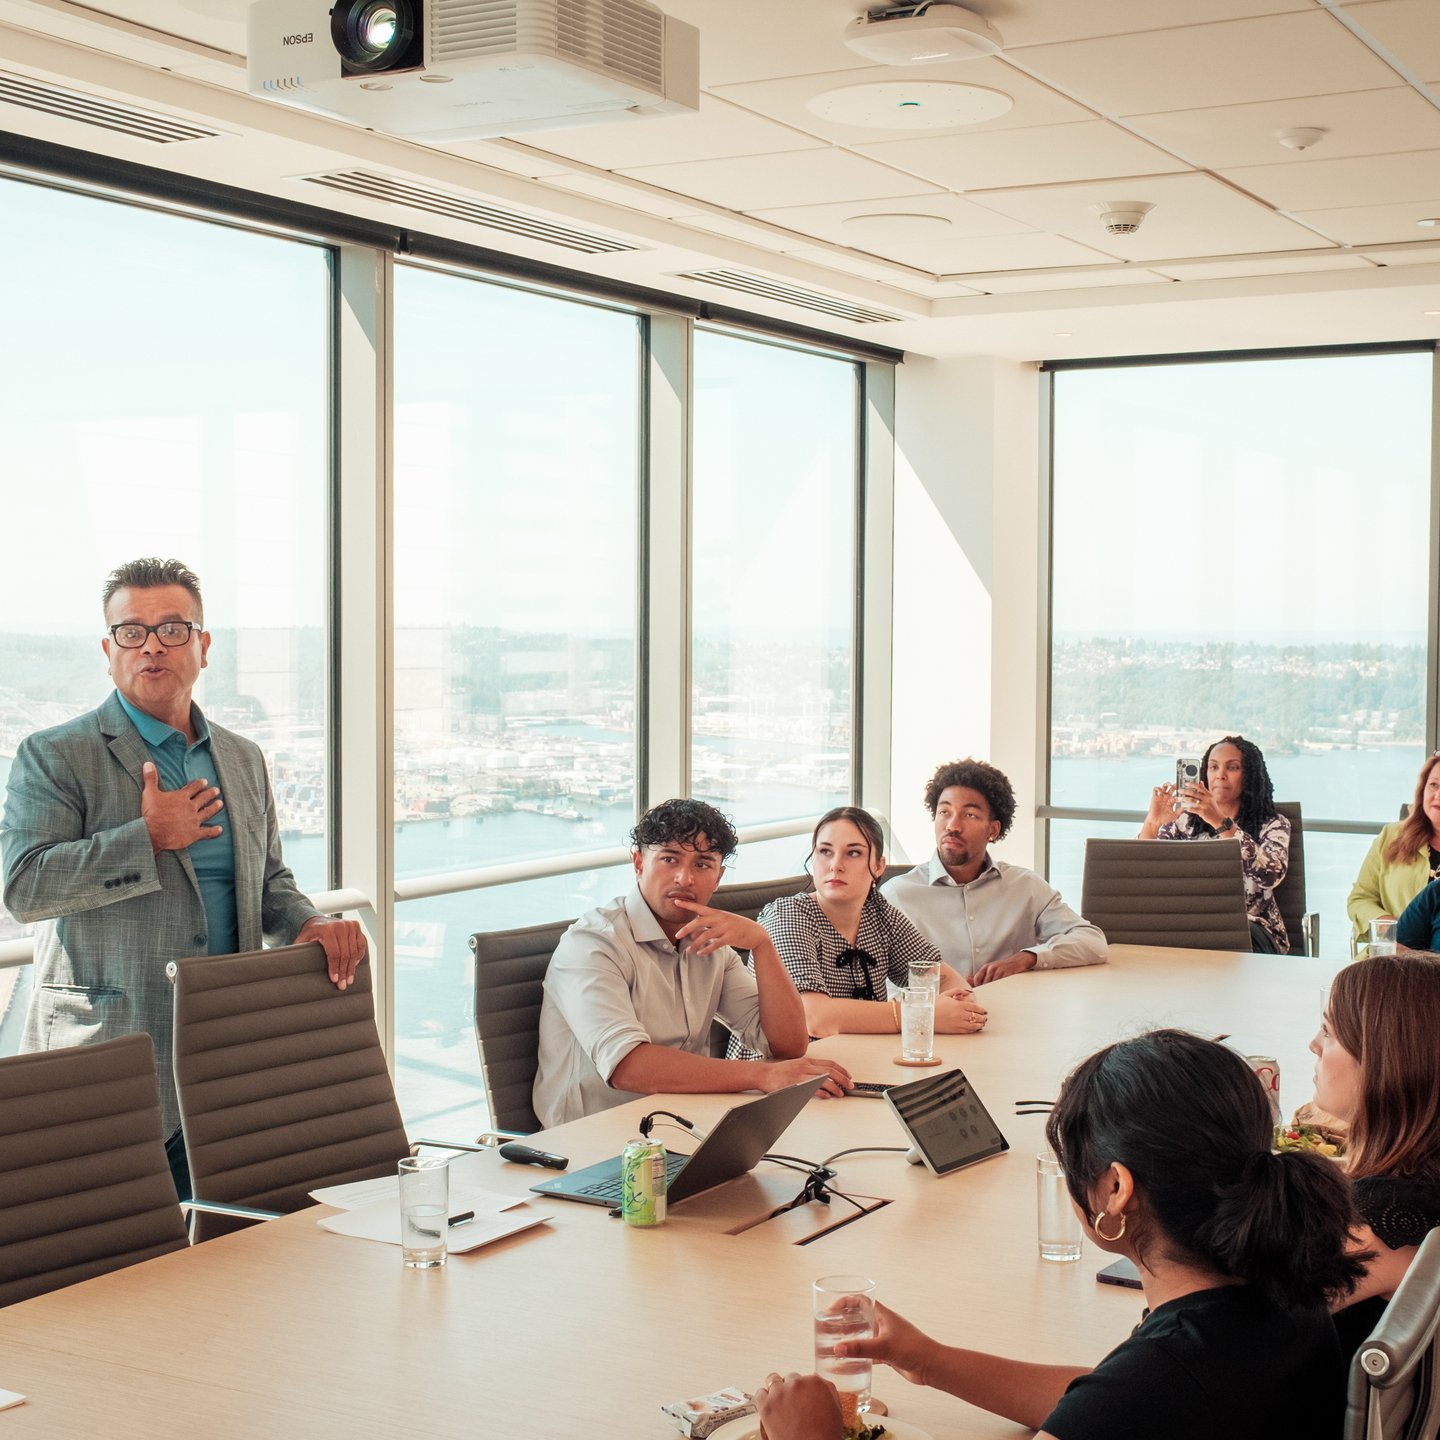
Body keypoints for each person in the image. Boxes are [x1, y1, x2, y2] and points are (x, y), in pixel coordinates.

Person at [754, 1029, 1364, 1440]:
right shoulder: (1279, 1289)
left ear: (1115, 1191)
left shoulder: (1165, 1375)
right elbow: (1095, 1397)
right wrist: (927, 1361)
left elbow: (1117, 1403)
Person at [0, 558, 366, 1199]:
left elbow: (268, 879)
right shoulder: (55, 754)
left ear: (203, 646)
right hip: (109, 1054)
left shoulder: (243, 758)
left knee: (230, 1253)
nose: (151, 646)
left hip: (227, 1054)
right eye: (131, 632)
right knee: (112, 1267)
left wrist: (305, 919)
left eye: (172, 629)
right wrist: (146, 840)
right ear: (108, 650)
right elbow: (25, 887)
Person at [532, 797, 852, 1129]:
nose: (685, 878)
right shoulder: (593, 944)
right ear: (639, 863)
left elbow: (786, 1046)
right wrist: (763, 1074)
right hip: (589, 1143)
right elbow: (628, 1066)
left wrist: (762, 944)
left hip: (682, 1125)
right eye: (669, 859)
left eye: (702, 864)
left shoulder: (711, 942)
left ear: (718, 876)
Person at [729, 807, 986, 1059]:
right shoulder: (788, 917)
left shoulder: (880, 913)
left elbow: (944, 979)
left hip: (857, 1062)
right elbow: (813, 1017)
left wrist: (958, 1005)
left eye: (853, 853)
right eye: (825, 852)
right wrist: (919, 1014)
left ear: (878, 866)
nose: (835, 865)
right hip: (777, 1074)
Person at [1310, 952, 1440, 1355]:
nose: (1313, 1044)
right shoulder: (1422, 1173)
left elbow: (1234, 1330)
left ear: (1385, 1061)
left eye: (1329, 1032)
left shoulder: (1385, 1216)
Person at [882, 759, 1106, 984]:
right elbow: (878, 984)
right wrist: (943, 990)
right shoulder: (897, 896)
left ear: (993, 830)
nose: (952, 826)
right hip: (937, 1017)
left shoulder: (1026, 887)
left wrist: (1026, 959)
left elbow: (1092, 942)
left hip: (1017, 1014)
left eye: (969, 815)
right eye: (944, 812)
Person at [1139, 735, 1291, 954]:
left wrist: (1220, 822)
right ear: (1205, 774)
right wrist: (1153, 824)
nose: (1220, 775)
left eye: (1232, 767)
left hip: (1252, 930)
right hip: (1189, 925)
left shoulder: (1273, 825)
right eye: (1213, 767)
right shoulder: (1184, 822)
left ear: (1248, 775)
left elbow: (1270, 875)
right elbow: (1140, 874)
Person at [1347, 752, 1440, 945]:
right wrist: (1388, 929)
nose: (1438, 796)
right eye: (1434, 785)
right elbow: (1360, 900)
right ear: (1422, 789)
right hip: (1394, 954)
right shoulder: (1391, 836)